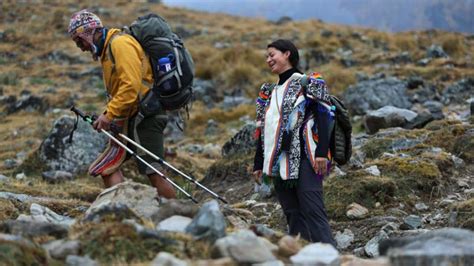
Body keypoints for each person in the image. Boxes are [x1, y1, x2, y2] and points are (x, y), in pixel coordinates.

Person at [67, 10, 176, 199]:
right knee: (106, 168)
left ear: (89, 32)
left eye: (79, 41)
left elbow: (130, 87)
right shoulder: (107, 51)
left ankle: (181, 216)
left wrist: (109, 115)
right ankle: (122, 209)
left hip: (147, 117)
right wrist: (110, 116)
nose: (80, 47)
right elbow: (122, 91)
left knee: (154, 172)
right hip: (131, 118)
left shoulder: (120, 44)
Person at [253, 39, 336, 245]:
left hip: (308, 157)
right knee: (292, 213)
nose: (268, 60)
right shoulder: (268, 92)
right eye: (267, 57)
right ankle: (303, 255)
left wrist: (321, 153)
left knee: (313, 209)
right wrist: (258, 162)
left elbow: (324, 116)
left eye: (272, 54)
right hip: (278, 160)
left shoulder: (308, 82)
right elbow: (263, 128)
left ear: (287, 54)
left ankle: (331, 256)